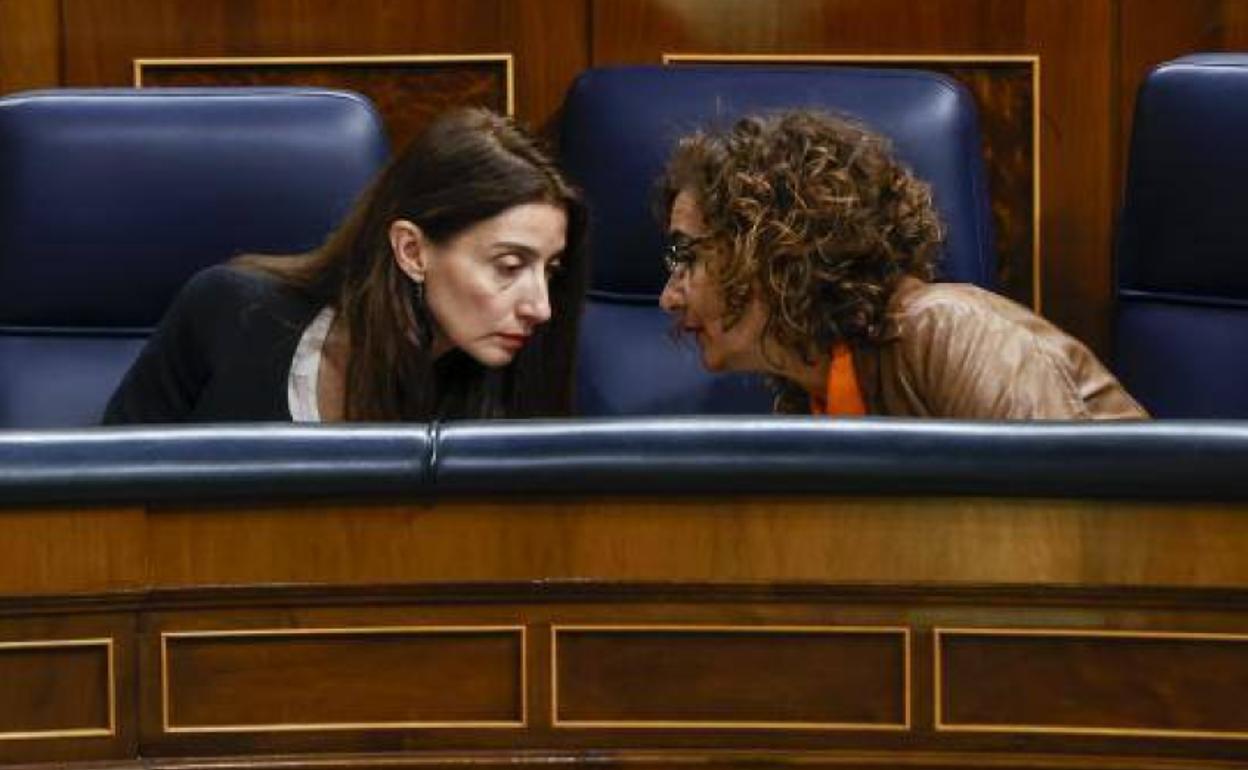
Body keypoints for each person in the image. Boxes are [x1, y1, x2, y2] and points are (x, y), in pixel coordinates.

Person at [103, 107, 587, 423]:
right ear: (412, 251)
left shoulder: (516, 381)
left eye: (550, 270)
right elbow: (109, 494)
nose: (540, 307)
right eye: (509, 266)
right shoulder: (230, 312)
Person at [657, 110, 1146, 419]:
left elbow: (1064, 535)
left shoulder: (951, 333)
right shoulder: (810, 390)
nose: (668, 297)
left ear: (769, 245)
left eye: (687, 256)